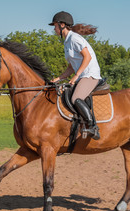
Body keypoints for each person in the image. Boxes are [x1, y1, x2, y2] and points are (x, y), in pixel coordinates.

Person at [49, 11, 101, 140]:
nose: (54, 29)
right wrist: (59, 78)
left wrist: (76, 76)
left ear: (62, 25)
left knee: (75, 98)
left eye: (55, 26)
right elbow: (71, 66)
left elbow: (87, 57)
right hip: (82, 75)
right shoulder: (67, 42)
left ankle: (92, 126)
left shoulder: (74, 38)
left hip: (90, 74)